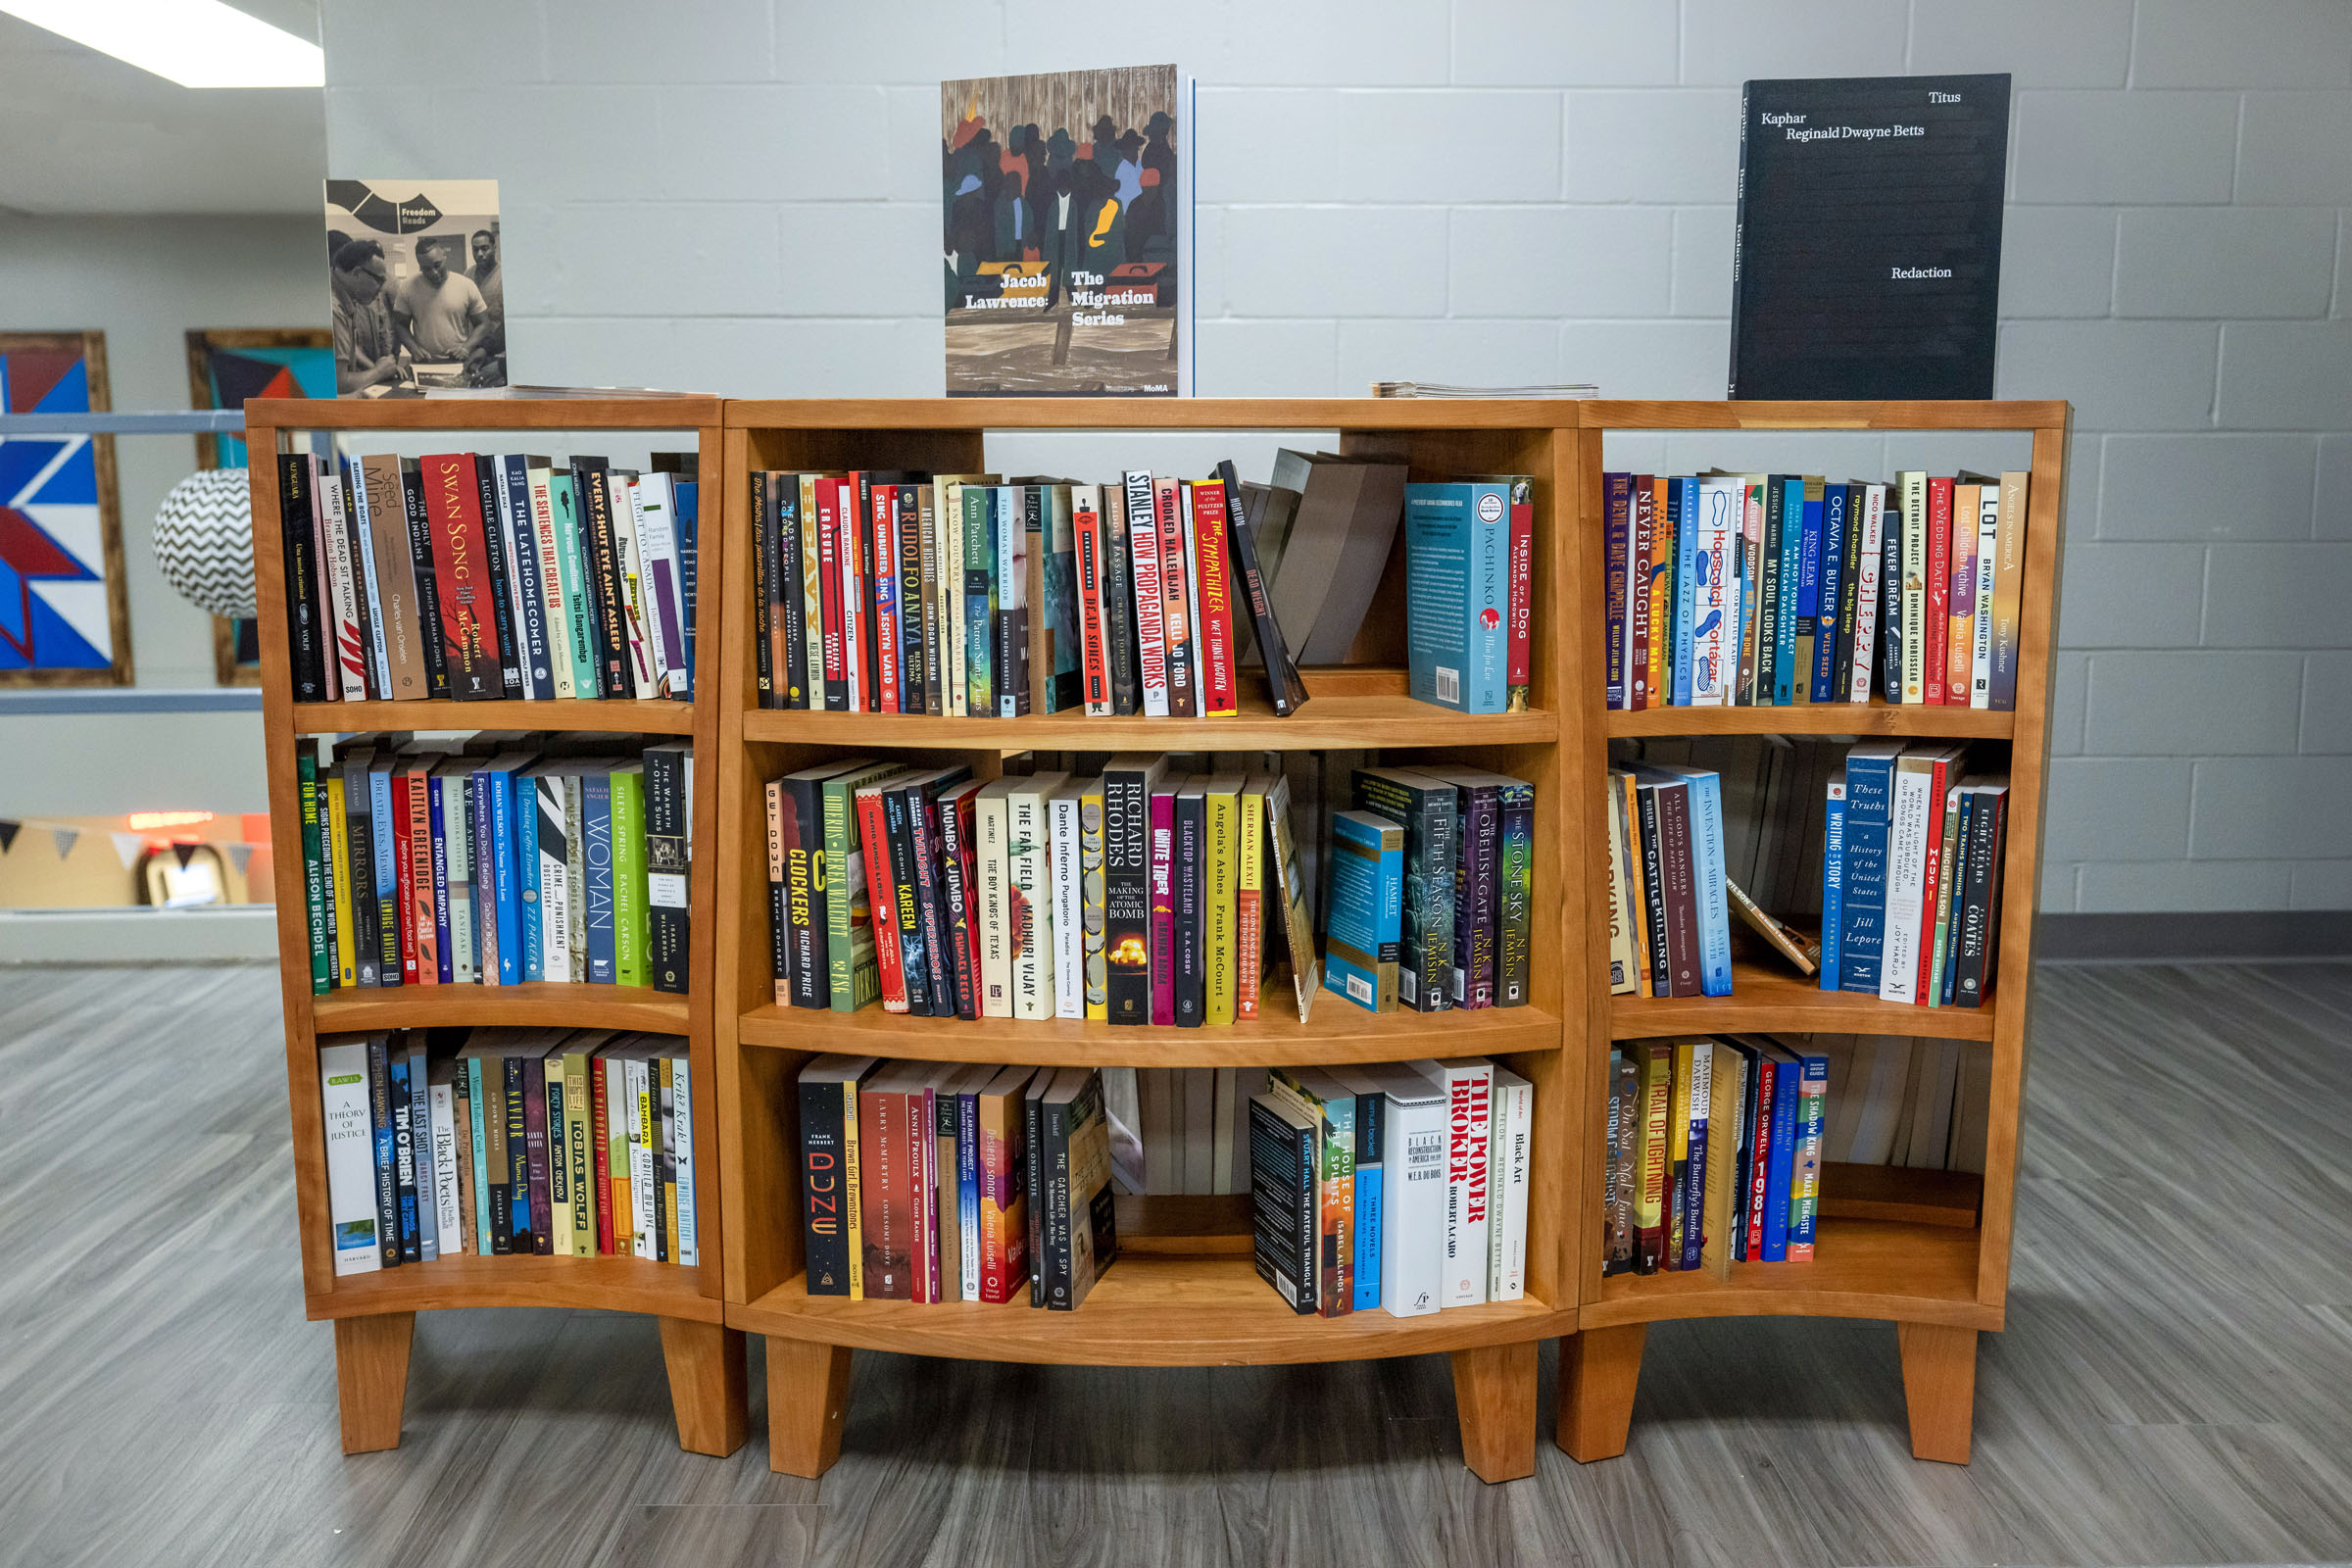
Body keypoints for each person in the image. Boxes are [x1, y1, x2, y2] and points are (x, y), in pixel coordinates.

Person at [392, 235, 491, 367]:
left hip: (458, 361)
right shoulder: (407, 287)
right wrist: (413, 348)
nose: (433, 272)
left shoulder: (466, 285)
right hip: (424, 362)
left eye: (437, 265)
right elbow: (400, 324)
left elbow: (483, 323)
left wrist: (467, 347)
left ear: (444, 257)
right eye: (426, 268)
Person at [328, 238, 403, 394]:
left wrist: (380, 367)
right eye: (379, 281)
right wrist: (378, 372)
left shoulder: (345, 298)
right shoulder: (334, 308)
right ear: (356, 273)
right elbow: (338, 384)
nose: (381, 289)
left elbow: (348, 347)